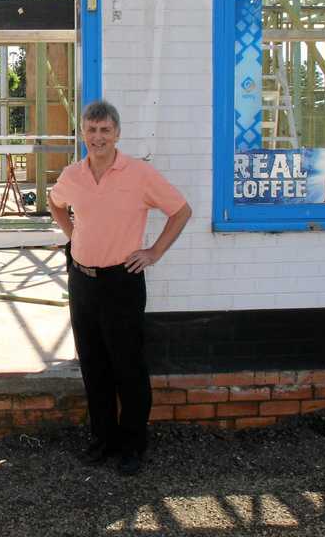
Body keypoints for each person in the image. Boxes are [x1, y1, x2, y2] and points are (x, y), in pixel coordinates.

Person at [48, 100, 191, 476]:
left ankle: (132, 445)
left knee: (127, 367)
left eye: (105, 130)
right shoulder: (72, 175)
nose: (98, 138)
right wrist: (72, 234)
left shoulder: (139, 174)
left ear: (117, 134)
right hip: (82, 281)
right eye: (91, 130)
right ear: (83, 133)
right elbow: (55, 203)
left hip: (122, 283)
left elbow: (181, 210)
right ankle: (103, 439)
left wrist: (154, 252)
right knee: (93, 365)